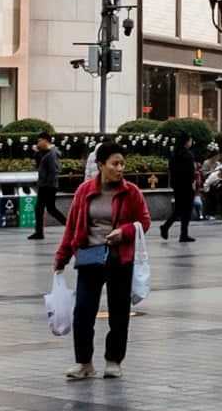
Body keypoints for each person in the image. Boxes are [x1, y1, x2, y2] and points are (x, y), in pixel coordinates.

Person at [53, 137, 151, 381]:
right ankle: (84, 362)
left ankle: (113, 360)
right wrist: (62, 257)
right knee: (83, 311)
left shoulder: (132, 192)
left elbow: (145, 221)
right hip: (90, 258)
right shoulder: (85, 191)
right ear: (100, 165)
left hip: (120, 260)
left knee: (119, 313)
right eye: (115, 164)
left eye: (122, 164)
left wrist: (124, 232)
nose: (120, 169)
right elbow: (72, 226)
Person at [159, 132, 196, 243]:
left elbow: (171, 169)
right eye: (190, 140)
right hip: (186, 186)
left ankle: (167, 227)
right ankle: (182, 234)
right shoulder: (188, 154)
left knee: (179, 209)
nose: (191, 142)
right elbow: (190, 171)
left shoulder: (174, 153)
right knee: (186, 210)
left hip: (177, 185)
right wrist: (192, 182)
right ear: (186, 141)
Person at [30, 133, 64, 243]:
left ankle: (39, 232)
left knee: (44, 208)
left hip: (48, 186)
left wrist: (48, 184)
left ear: (45, 141)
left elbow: (54, 170)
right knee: (49, 208)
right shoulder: (47, 153)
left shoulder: (52, 153)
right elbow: (40, 165)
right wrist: (37, 153)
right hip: (47, 185)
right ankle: (39, 232)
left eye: (39, 141)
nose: (38, 143)